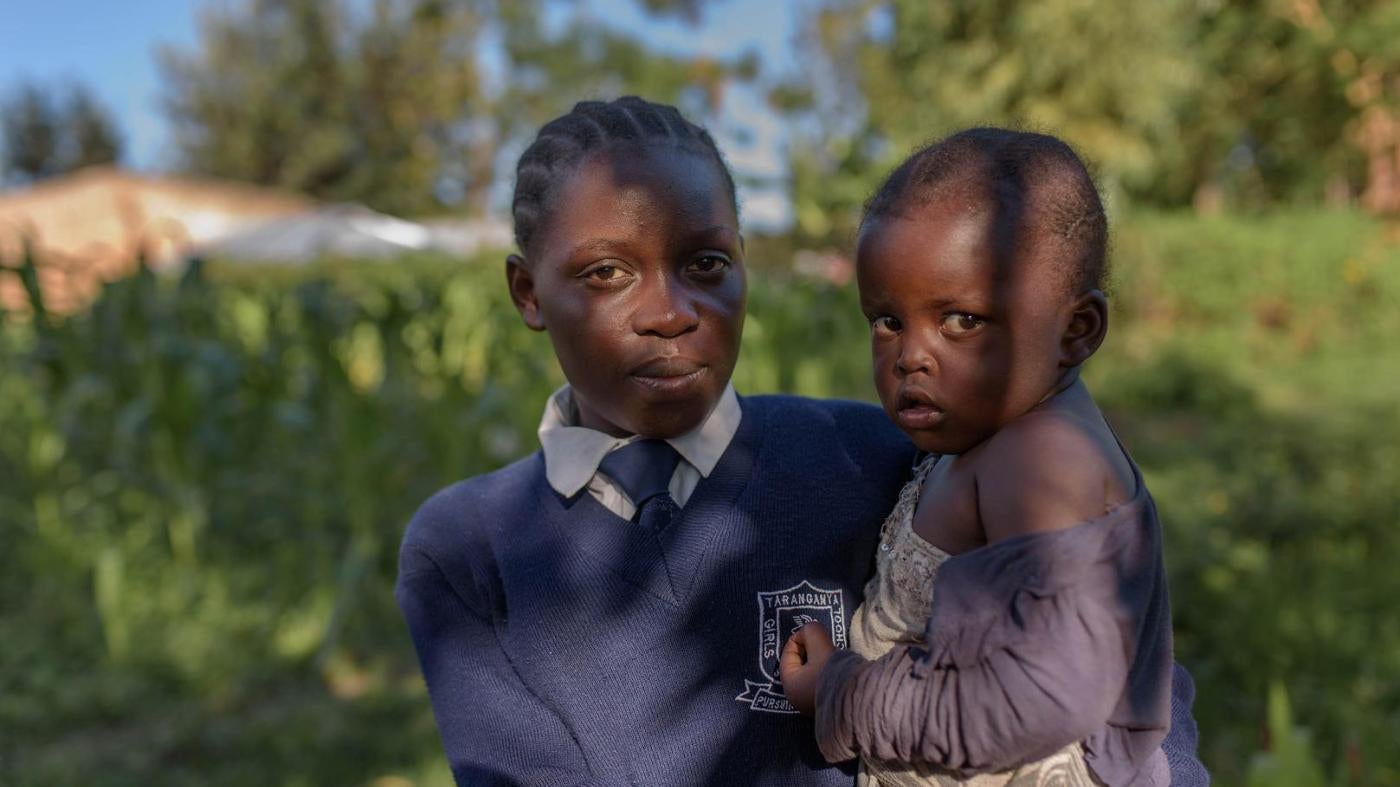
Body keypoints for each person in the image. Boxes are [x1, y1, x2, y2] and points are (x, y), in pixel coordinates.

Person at [395, 99, 1205, 786]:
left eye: (706, 262)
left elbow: (1116, 663)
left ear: (745, 266)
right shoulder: (467, 548)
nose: (669, 311)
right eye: (606, 273)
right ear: (528, 292)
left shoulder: (878, 452)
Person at [778, 128, 1207, 787]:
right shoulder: (989, 433)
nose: (911, 355)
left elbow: (1040, 696)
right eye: (887, 319)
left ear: (1077, 331)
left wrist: (842, 690)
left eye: (962, 319)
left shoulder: (1042, 460)